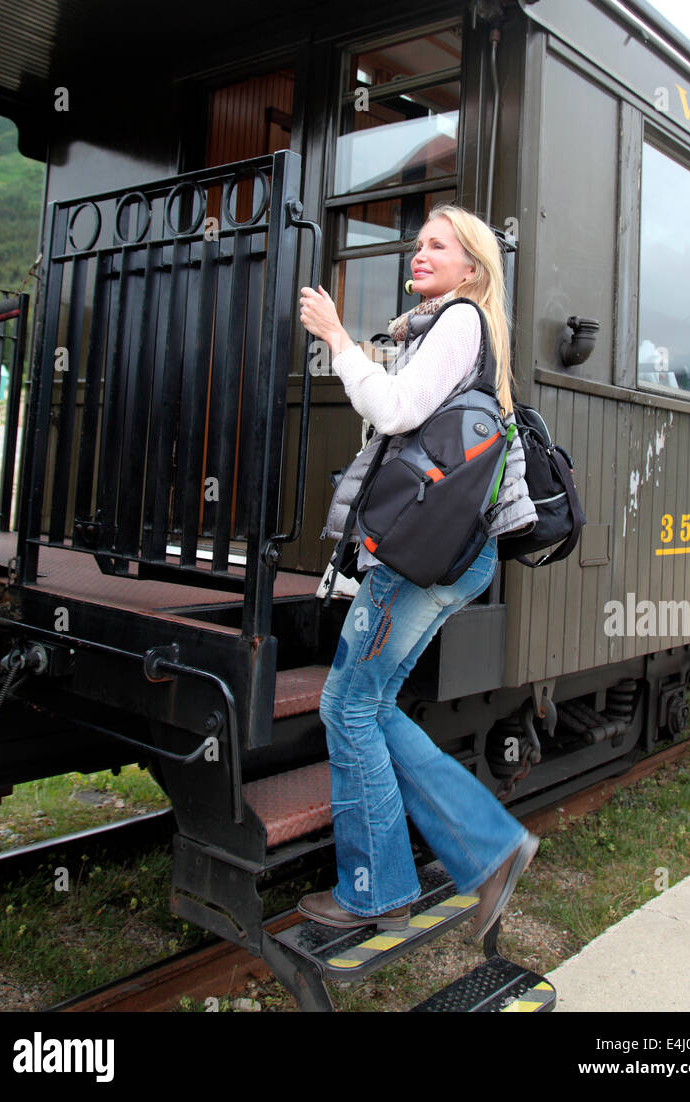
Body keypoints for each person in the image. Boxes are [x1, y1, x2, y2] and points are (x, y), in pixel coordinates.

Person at [297, 204, 539, 941]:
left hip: (422, 559)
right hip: (441, 555)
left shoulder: (462, 321)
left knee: (346, 706)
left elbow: (395, 410)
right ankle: (490, 849)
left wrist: (337, 338)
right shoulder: (447, 328)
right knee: (369, 704)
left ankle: (378, 889)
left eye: (441, 244)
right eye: (419, 242)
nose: (421, 252)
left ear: (473, 267)